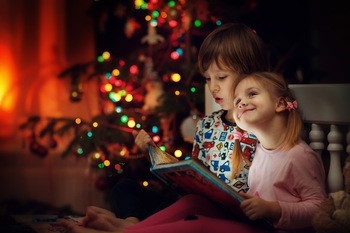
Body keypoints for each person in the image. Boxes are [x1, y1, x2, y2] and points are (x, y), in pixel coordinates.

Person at [61, 72, 327, 233]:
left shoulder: (299, 156)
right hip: (259, 223)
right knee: (193, 202)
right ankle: (134, 228)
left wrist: (273, 209)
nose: (241, 102)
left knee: (200, 226)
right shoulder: (261, 150)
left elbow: (319, 211)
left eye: (252, 94)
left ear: (281, 104)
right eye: (238, 100)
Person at [109, 22, 270, 221]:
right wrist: (155, 154)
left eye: (221, 77)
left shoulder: (261, 126)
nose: (213, 87)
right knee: (124, 188)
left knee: (189, 206)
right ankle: (134, 223)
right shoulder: (207, 124)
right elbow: (194, 177)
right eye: (208, 79)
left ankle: (134, 227)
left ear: (250, 75)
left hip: (225, 214)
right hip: (192, 203)